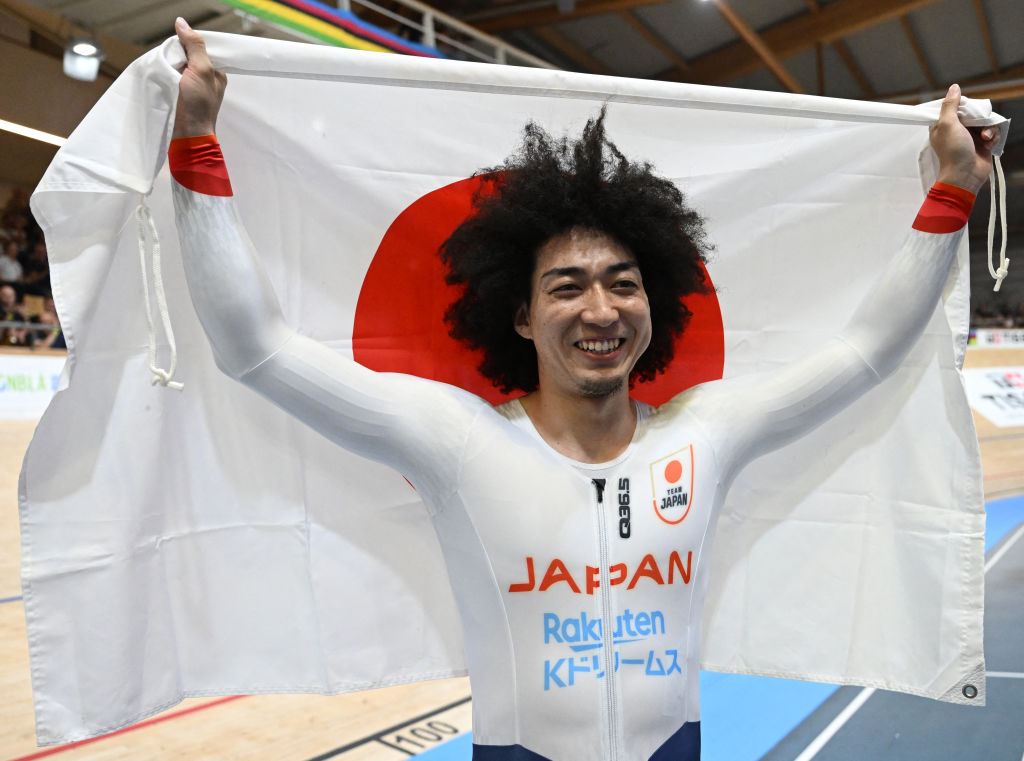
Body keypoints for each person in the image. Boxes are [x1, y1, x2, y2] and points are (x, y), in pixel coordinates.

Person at [169, 18, 996, 761]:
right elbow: (255, 348)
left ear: (655, 303)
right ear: (520, 316)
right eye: (566, 287)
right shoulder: (458, 442)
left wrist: (954, 190)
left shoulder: (705, 432)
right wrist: (199, 141)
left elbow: (867, 351)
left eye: (623, 283)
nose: (599, 309)